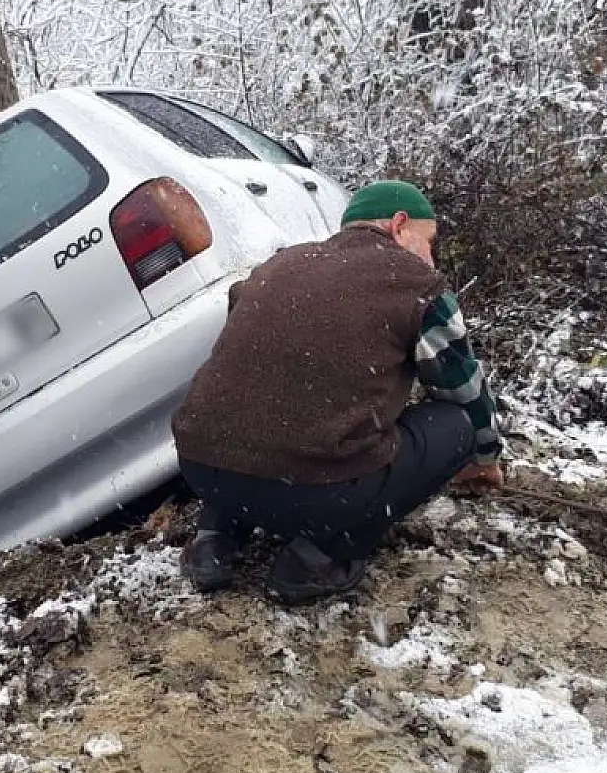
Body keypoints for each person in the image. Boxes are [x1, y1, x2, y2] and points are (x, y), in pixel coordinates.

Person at [172, 179, 505, 604]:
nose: (431, 256)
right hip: (312, 495)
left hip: (202, 469)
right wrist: (483, 459)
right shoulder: (417, 285)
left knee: (251, 410)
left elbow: (243, 374)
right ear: (399, 225)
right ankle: (318, 558)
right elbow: (461, 390)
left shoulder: (278, 266)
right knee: (456, 426)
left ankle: (215, 536)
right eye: (429, 240)